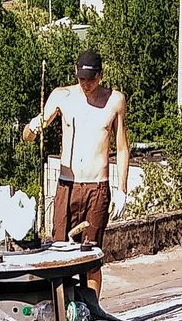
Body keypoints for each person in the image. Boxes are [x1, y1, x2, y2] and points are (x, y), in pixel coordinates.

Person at [22, 46, 130, 295]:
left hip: (97, 186)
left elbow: (122, 147)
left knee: (91, 257)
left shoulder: (115, 100)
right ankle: (63, 311)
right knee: (60, 253)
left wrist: (122, 188)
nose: (86, 84)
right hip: (67, 185)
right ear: (75, 73)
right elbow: (28, 136)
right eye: (82, 79)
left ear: (100, 76)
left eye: (91, 79)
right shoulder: (62, 96)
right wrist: (33, 126)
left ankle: (91, 309)